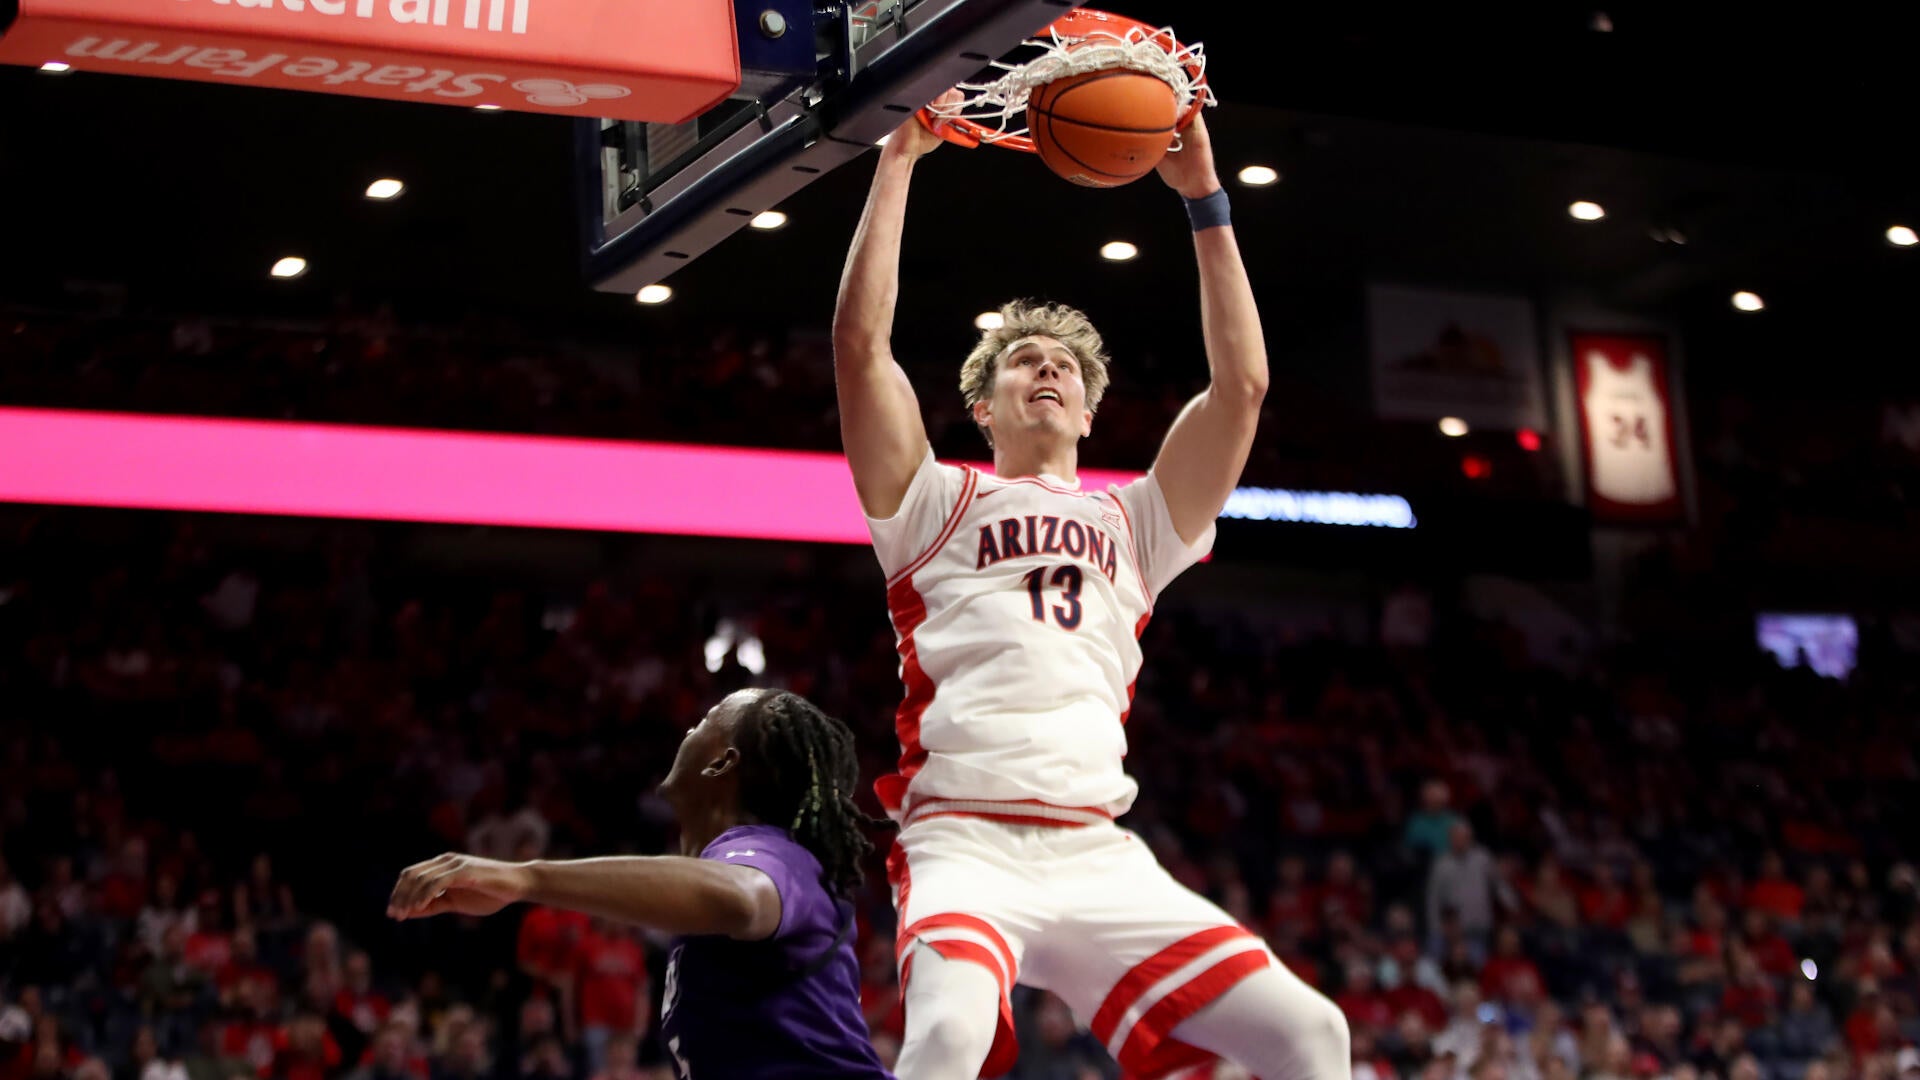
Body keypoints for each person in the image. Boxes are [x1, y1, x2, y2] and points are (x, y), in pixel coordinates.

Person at [831, 94, 1351, 1080]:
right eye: (1024, 359)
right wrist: (894, 164)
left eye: (1066, 363)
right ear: (983, 405)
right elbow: (861, 352)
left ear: (1088, 407)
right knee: (944, 1037)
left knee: (1311, 1034)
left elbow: (1240, 388)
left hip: (1094, 847)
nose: (1049, 368)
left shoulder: (1139, 522)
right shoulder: (933, 497)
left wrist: (1203, 197)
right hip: (965, 838)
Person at [387, 689, 892, 1080]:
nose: (690, 728)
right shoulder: (738, 868)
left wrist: (525, 877)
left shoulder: (773, 854)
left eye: (706, 721)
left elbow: (739, 897)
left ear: (722, 762)